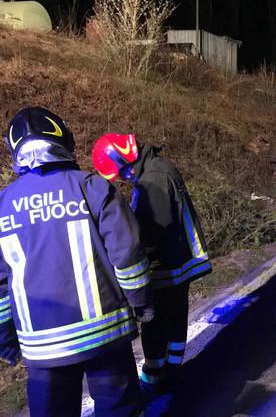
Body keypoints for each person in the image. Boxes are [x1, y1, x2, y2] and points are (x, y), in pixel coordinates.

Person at [0, 107, 153, 417]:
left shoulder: (3, 205)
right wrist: (142, 304)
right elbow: (127, 254)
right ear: (65, 141)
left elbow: (1, 284)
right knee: (119, 410)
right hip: (106, 336)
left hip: (42, 348)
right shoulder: (92, 187)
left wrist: (5, 340)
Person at [91, 134, 212, 405]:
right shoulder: (157, 168)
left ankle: (153, 376)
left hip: (166, 267)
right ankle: (172, 370)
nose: (122, 178)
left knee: (155, 324)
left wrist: (127, 256)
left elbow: (150, 233)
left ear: (124, 159)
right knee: (176, 319)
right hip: (178, 261)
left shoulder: (152, 180)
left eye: (121, 171)